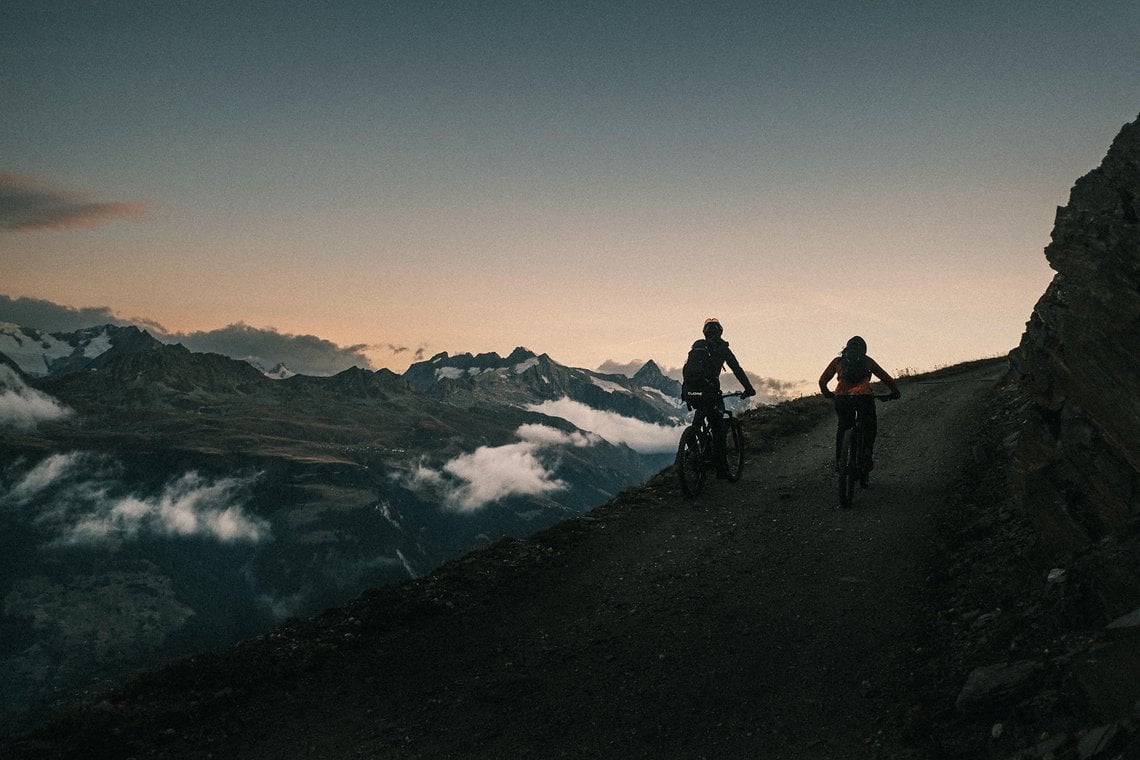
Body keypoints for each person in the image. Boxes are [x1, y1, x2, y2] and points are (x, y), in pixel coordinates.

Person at [682, 318, 757, 477]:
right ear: (720, 332)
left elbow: (688, 370)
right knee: (717, 428)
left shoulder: (697, 347)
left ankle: (695, 454)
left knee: (697, 423)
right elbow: (737, 369)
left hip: (691, 391)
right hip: (710, 392)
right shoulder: (723, 349)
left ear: (705, 333)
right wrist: (749, 388)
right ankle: (721, 469)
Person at [818, 335, 900, 472]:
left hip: (842, 397)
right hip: (864, 396)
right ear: (863, 349)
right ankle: (867, 454)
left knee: (843, 426)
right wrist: (895, 392)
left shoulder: (838, 361)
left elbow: (822, 381)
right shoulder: (867, 361)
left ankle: (839, 461)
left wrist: (827, 393)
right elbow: (886, 378)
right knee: (870, 425)